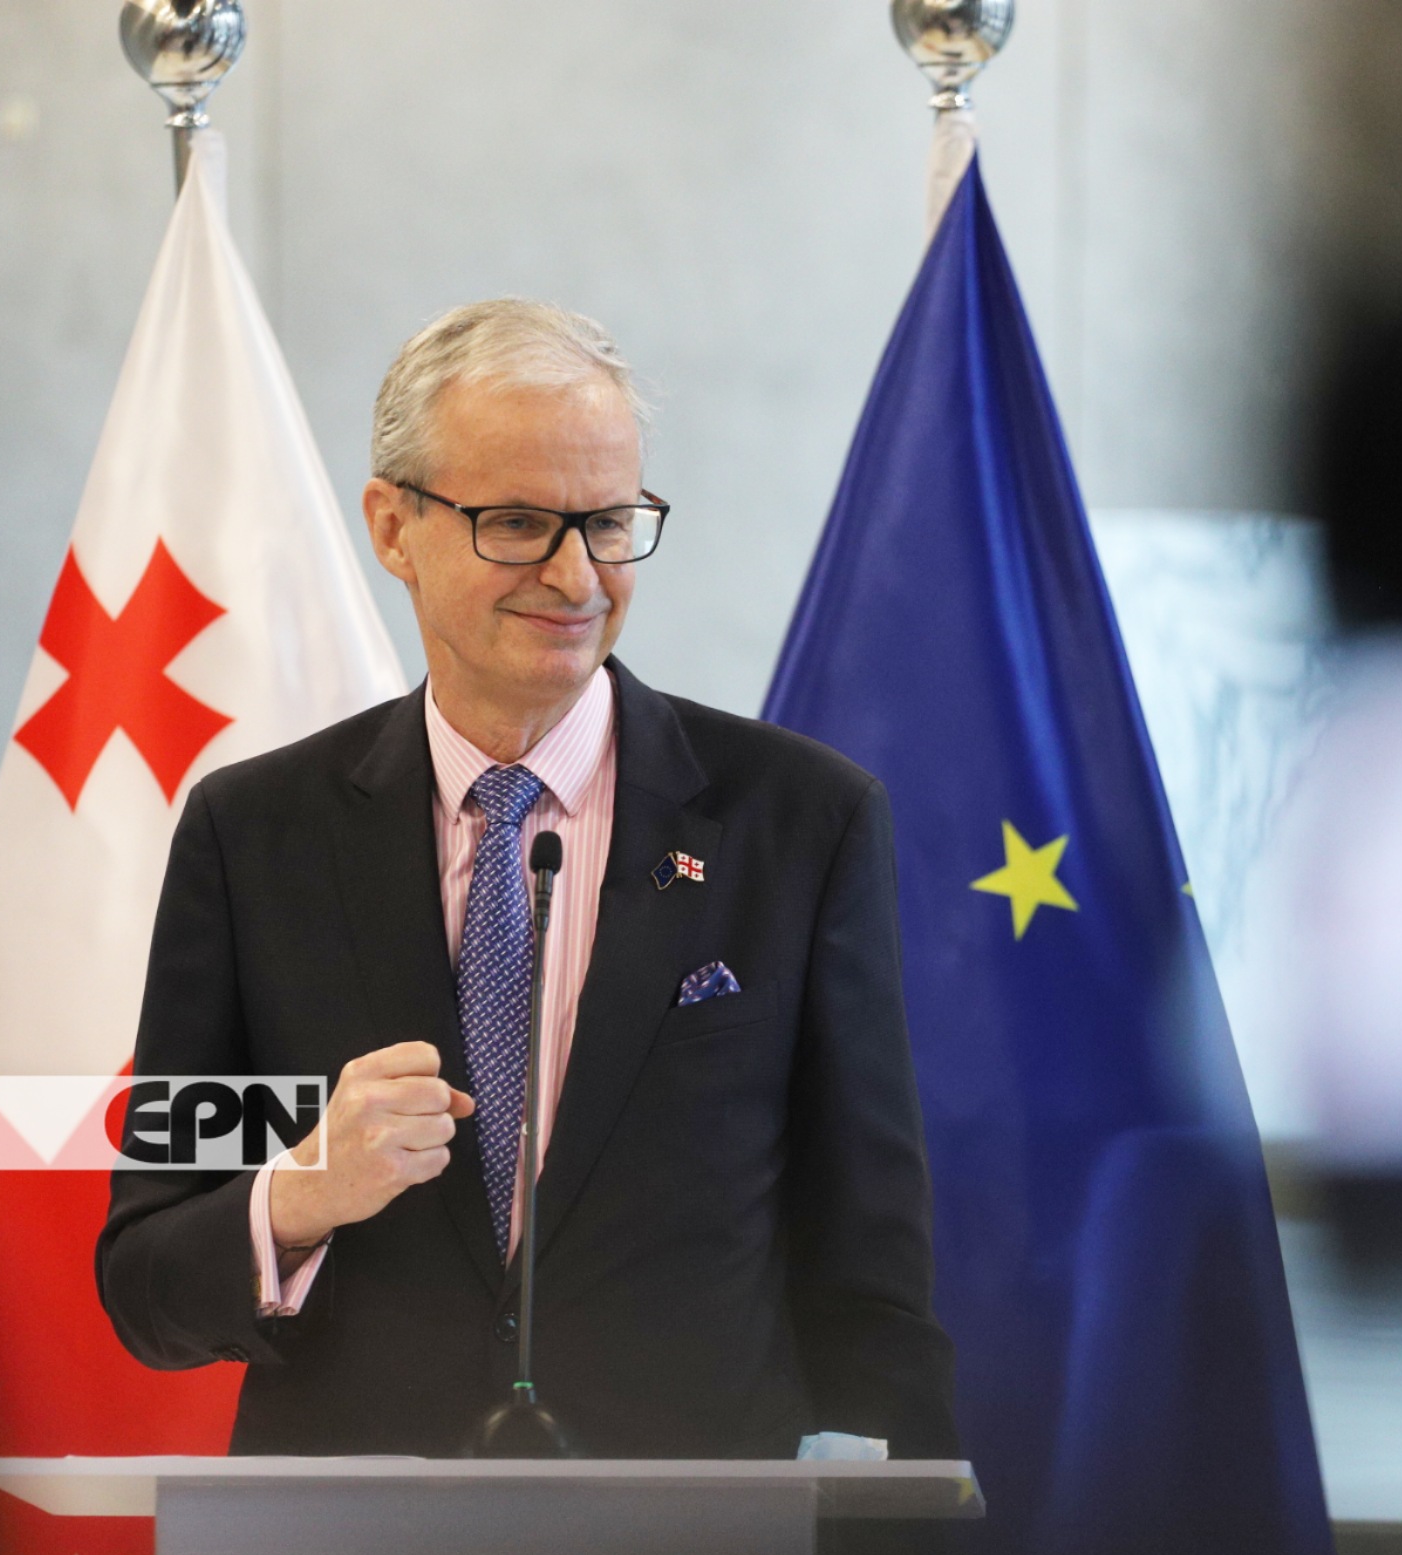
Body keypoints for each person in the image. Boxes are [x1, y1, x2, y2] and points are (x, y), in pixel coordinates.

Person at [98, 299, 959, 1461]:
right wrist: (299, 1193)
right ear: (393, 528)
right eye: (516, 523)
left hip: (694, 1533)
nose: (575, 574)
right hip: (353, 1538)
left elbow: (874, 1285)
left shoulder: (803, 826)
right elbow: (146, 1278)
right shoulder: (253, 838)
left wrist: (892, 1536)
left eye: (606, 523)